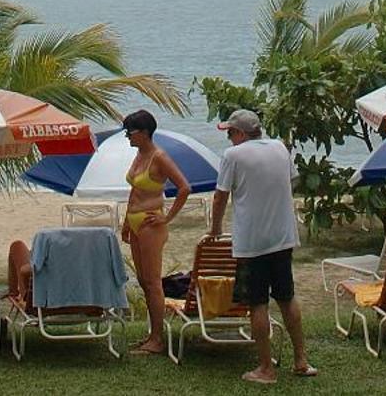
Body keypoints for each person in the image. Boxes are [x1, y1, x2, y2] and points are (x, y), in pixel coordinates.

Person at [209, 109, 314, 384]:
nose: (229, 138)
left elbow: (220, 196)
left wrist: (215, 228)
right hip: (283, 236)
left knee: (257, 302)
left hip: (253, 241)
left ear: (241, 133)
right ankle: (301, 359)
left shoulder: (233, 155)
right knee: (286, 296)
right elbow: (290, 180)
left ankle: (266, 368)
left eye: (231, 133)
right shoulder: (279, 147)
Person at [118, 109, 190, 355]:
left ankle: (158, 340)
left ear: (145, 132)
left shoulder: (159, 157)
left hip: (151, 224)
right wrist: (127, 220)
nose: (127, 136)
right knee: (142, 280)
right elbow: (134, 190)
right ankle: (152, 334)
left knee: (153, 281)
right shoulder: (138, 155)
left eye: (131, 131)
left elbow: (184, 187)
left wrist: (167, 216)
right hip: (136, 221)